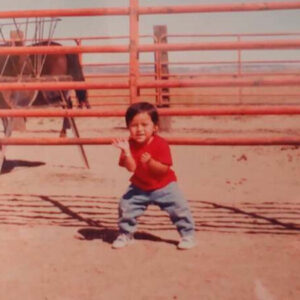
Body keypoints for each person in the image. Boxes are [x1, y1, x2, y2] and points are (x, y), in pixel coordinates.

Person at [112, 102, 196, 250]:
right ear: (128, 127)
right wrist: (126, 152)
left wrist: (150, 162)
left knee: (179, 208)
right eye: (134, 125)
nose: (139, 129)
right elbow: (131, 168)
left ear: (155, 127)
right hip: (139, 186)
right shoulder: (129, 144)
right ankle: (126, 234)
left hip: (164, 185)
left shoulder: (160, 144)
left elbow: (163, 169)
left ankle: (187, 235)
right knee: (126, 206)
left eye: (145, 125)